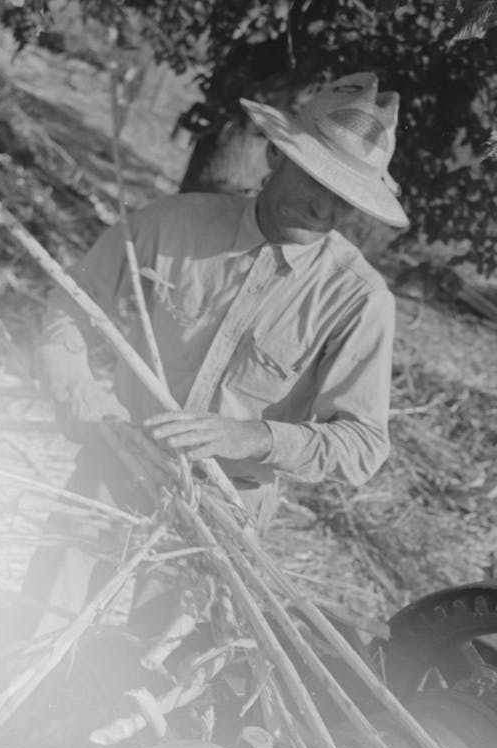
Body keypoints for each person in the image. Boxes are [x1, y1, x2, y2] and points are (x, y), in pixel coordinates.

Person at [23, 71, 408, 638]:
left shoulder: (359, 299)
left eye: (346, 198)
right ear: (276, 156)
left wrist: (251, 438)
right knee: (39, 634)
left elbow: (363, 444)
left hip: (225, 508)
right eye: (316, 180)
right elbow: (71, 310)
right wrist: (93, 413)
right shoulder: (170, 224)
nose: (325, 207)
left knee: (158, 677)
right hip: (116, 459)